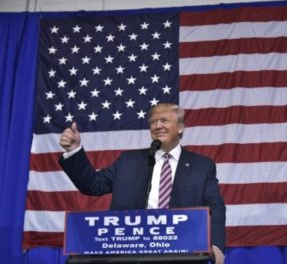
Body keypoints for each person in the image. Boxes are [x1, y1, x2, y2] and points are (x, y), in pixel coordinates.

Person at [59, 103, 226, 264]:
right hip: (130, 253)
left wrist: (216, 244)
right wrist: (74, 150)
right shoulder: (128, 161)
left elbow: (215, 206)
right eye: (153, 122)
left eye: (164, 120)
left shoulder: (202, 166)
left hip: (183, 252)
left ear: (180, 127)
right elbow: (93, 185)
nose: (157, 126)